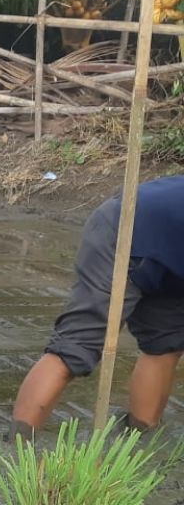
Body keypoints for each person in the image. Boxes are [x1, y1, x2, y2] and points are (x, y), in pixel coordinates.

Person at [10, 176, 184, 441]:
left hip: (170, 255)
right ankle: (14, 451)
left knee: (166, 344)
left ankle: (137, 442)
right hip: (124, 231)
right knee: (77, 347)